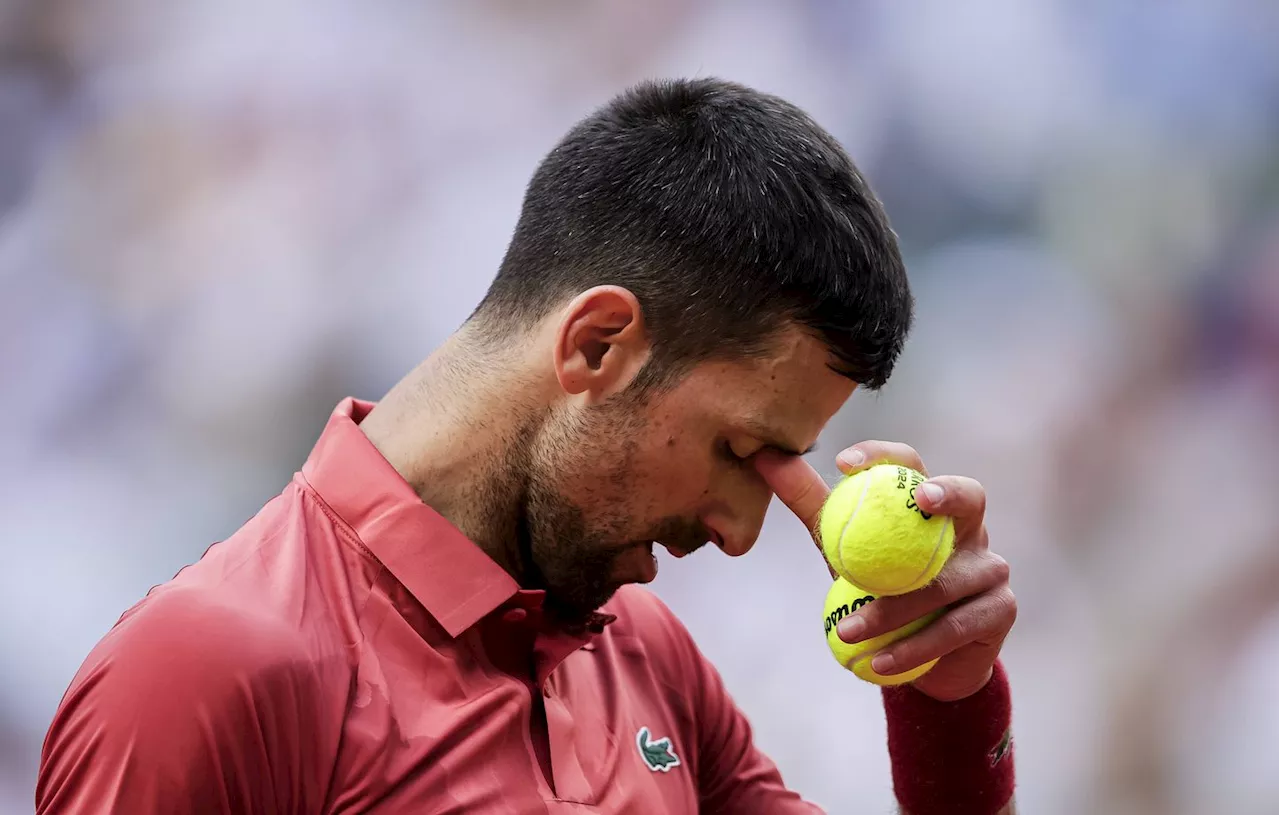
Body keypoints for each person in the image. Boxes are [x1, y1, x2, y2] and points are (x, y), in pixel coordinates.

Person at [37, 78, 1018, 814]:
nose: (739, 531)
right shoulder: (208, 669)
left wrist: (947, 689)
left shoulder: (648, 656)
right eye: (740, 449)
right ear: (598, 343)